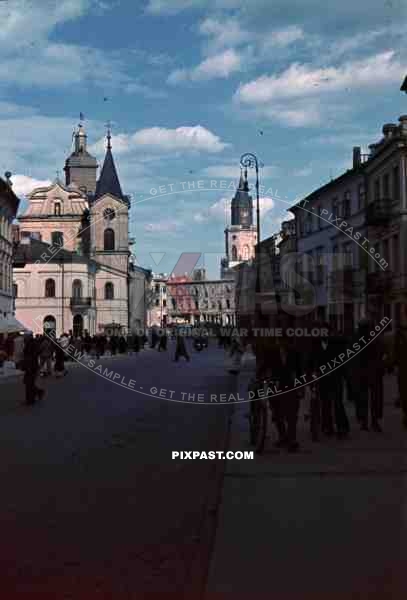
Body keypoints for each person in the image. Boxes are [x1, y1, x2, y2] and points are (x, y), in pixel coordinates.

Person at [23, 334, 43, 404]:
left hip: (31, 366)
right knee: (28, 382)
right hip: (31, 365)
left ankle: (30, 399)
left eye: (25, 337)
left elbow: (30, 355)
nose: (24, 339)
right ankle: (37, 393)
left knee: (29, 383)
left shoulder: (31, 344)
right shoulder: (33, 343)